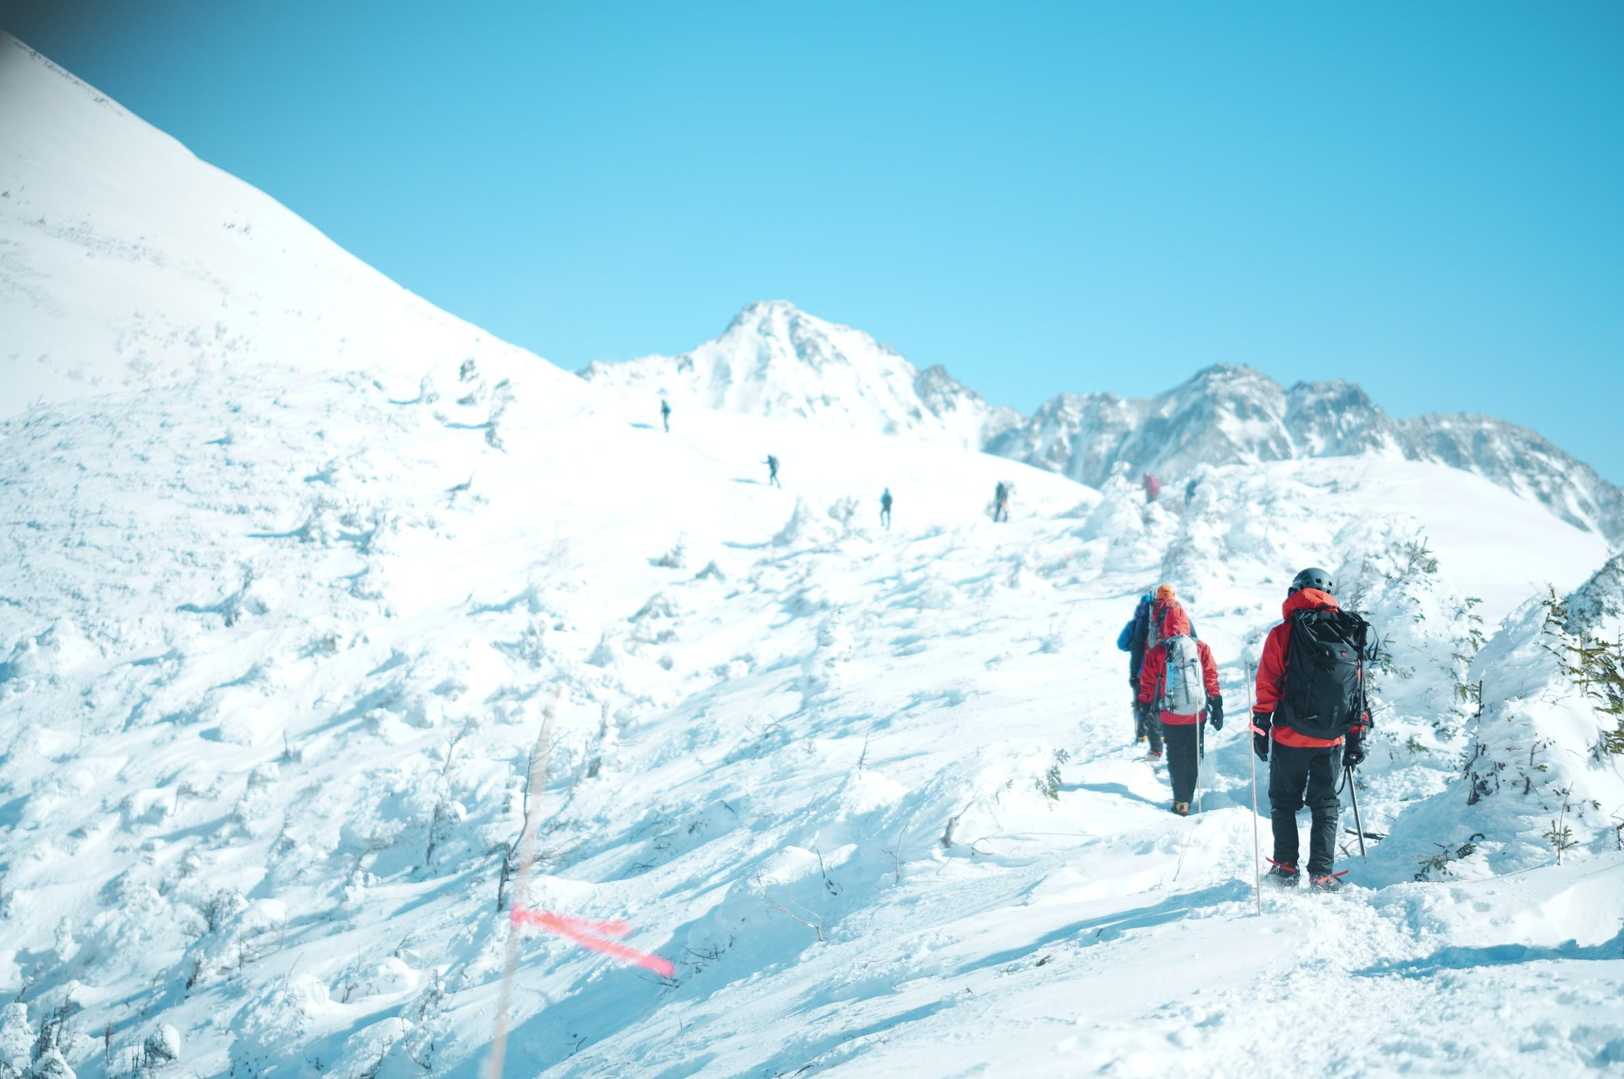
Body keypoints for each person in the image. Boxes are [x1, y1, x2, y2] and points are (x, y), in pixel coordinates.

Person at [1252, 567, 1372, 891]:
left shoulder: (1283, 633)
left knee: (1283, 801)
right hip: (1331, 738)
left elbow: (1267, 682)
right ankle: (1321, 873)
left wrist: (1261, 724)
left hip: (1289, 736)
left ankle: (1285, 867)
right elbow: (1357, 691)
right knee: (1325, 804)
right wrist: (1356, 736)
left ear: (1294, 592)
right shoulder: (1347, 631)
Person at [1137, 595, 1222, 815]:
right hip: (1196, 713)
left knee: (1175, 756)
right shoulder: (1200, 647)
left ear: (1165, 625)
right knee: (1194, 754)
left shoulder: (1158, 650)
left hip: (1170, 714)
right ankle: (1188, 798)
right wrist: (1216, 703)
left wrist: (1144, 707)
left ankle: (1180, 801)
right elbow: (1211, 676)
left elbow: (1147, 682)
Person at [1118, 585, 1200, 748]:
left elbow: (1124, 644)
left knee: (1142, 701)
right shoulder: (1179, 613)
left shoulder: (1143, 618)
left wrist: (1134, 671)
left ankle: (1142, 735)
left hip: (1144, 668)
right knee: (1167, 698)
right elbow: (1194, 640)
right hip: (1170, 665)